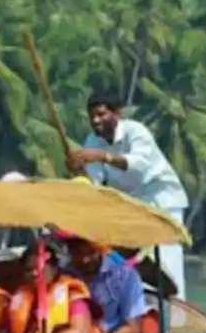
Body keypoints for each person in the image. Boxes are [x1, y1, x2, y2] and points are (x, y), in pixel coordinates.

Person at [65, 93, 190, 300]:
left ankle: (178, 313)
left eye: (101, 114)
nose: (96, 121)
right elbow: (93, 182)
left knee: (168, 262)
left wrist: (103, 156)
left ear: (116, 114)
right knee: (134, 261)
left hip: (161, 198)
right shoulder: (93, 141)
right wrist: (78, 171)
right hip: (130, 204)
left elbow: (138, 167)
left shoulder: (135, 131)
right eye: (92, 116)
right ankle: (143, 310)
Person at [65, 236, 158, 333]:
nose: (85, 260)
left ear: (101, 249)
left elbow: (134, 328)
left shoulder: (125, 276)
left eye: (90, 252)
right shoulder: (65, 275)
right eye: (78, 253)